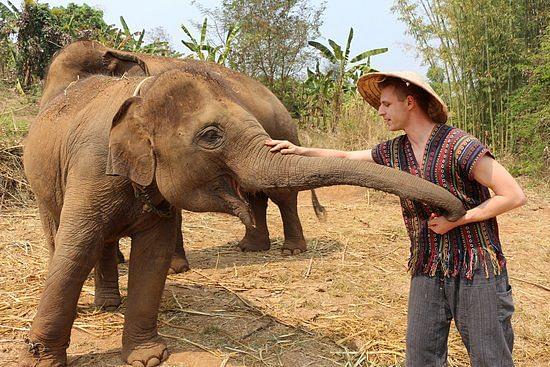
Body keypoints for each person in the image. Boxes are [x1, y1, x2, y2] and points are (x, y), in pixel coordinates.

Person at [265, 71, 526, 366]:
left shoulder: (459, 146)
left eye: (387, 104)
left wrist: (459, 220)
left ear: (410, 102)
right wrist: (299, 151)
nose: (380, 112)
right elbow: (347, 159)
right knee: (420, 358)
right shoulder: (394, 151)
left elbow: (513, 195)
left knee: (490, 357)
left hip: (474, 266)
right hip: (427, 265)